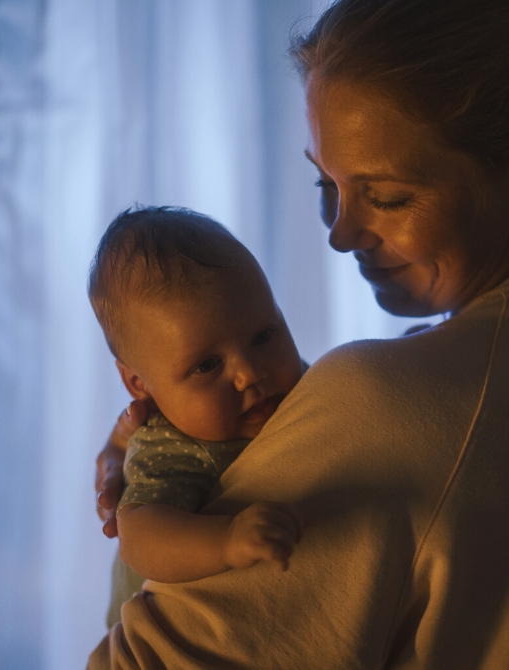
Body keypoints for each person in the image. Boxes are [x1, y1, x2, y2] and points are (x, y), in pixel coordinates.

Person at [90, 0, 509, 667]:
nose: (339, 233)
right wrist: (161, 442)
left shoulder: (390, 400)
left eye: (384, 196)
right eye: (326, 183)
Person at [88, 207, 307, 627]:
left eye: (264, 336)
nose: (249, 374)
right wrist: (226, 541)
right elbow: (138, 536)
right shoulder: (173, 445)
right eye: (207, 365)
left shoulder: (296, 385)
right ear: (139, 385)